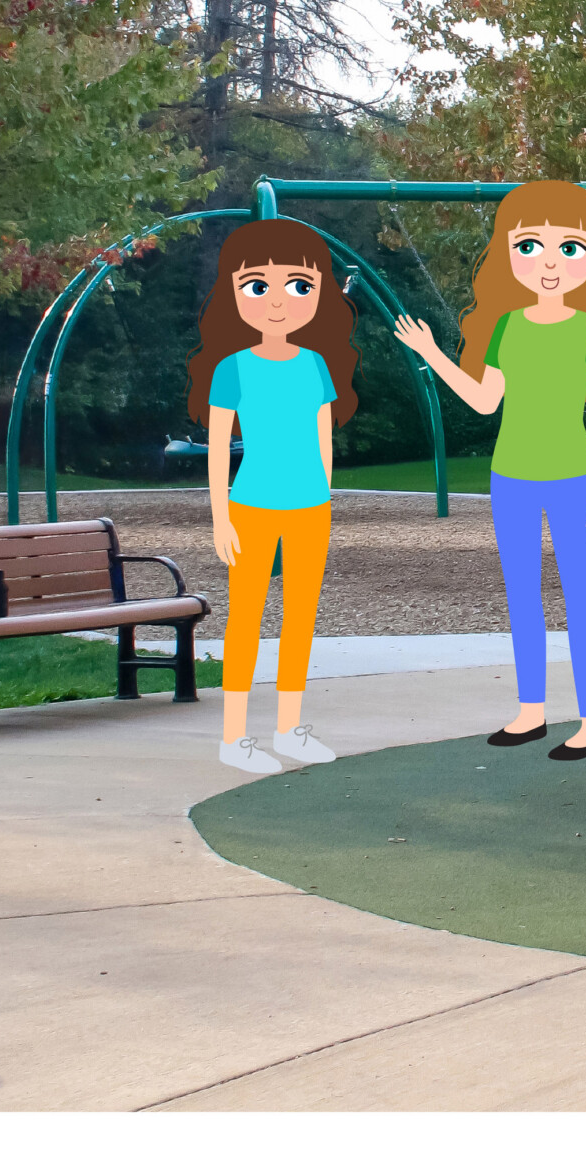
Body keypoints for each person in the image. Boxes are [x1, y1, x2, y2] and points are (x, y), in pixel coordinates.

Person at [393, 181, 586, 759]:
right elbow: (482, 401)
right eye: (531, 247)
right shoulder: (506, 329)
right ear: (510, 253)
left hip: (577, 477)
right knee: (522, 595)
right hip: (512, 480)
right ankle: (531, 711)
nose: (550, 263)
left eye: (568, 249)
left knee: (582, 597)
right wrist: (432, 356)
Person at [191, 218, 359, 775]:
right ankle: (234, 737)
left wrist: (326, 495)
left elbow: (322, 438)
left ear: (319, 295)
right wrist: (220, 518)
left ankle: (289, 729)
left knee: (300, 617)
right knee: (246, 617)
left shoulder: (314, 364)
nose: (279, 301)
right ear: (235, 295)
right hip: (252, 505)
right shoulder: (231, 369)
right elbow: (219, 450)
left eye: (299, 286)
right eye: (258, 286)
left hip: (311, 507)